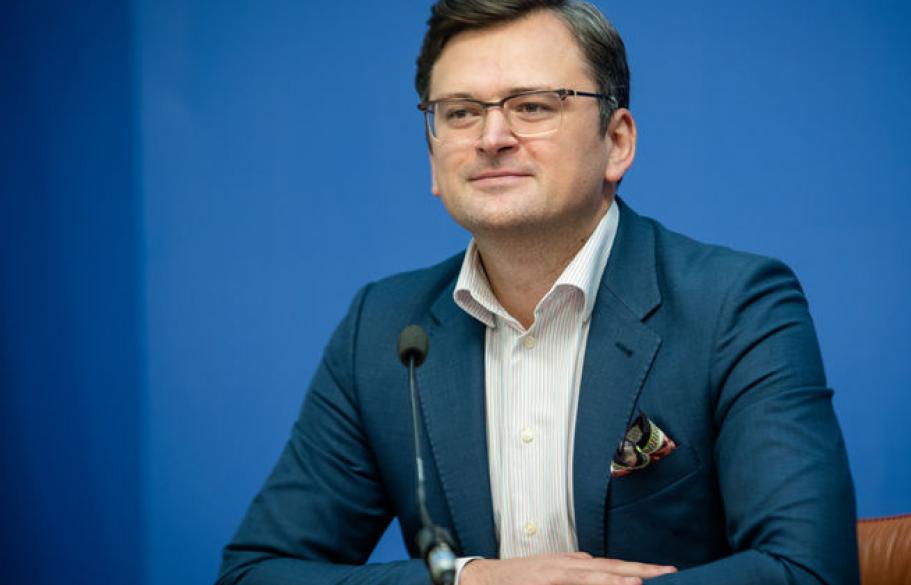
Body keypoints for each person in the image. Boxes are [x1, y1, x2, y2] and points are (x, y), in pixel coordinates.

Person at [217, 1, 859, 584]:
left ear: (617, 142)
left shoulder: (734, 305)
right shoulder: (384, 328)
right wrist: (471, 582)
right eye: (460, 113)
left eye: (532, 106)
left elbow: (808, 571)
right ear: (433, 160)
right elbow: (256, 573)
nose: (491, 138)